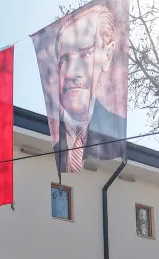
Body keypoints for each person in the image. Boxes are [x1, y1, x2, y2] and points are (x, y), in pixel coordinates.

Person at [53, 4, 127, 173]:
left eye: (85, 54)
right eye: (64, 59)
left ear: (107, 55)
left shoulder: (117, 133)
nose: (72, 72)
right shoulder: (50, 135)